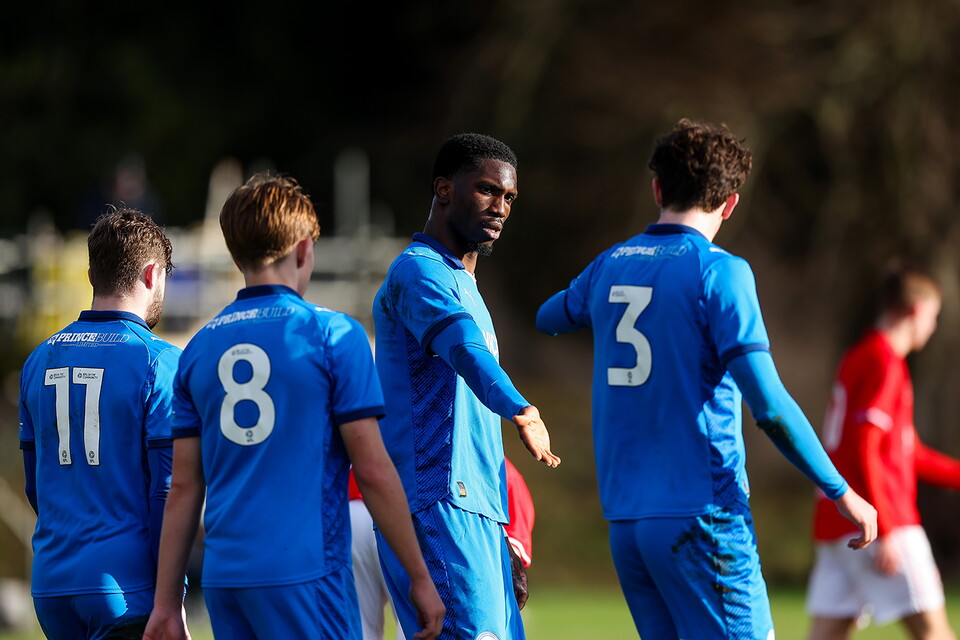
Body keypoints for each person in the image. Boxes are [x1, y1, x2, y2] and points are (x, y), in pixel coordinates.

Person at [535, 118, 877, 639]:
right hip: (701, 515)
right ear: (730, 203)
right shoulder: (720, 272)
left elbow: (548, 317)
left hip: (627, 524)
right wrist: (839, 490)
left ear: (657, 189)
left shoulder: (610, 265)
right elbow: (770, 406)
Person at [143, 175, 444, 640]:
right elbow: (372, 470)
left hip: (226, 579)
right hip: (305, 573)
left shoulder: (199, 349)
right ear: (304, 250)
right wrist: (419, 577)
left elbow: (183, 487)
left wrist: (166, 603)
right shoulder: (334, 335)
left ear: (236, 256)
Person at [373, 133, 560, 640]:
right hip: (438, 500)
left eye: (509, 197)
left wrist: (501, 531)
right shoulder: (418, 271)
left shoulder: (465, 283)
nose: (500, 207)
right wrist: (521, 407)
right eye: (487, 190)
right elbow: (464, 348)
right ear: (444, 190)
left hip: (480, 509)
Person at [18, 208, 179, 639]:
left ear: (91, 276)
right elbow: (168, 492)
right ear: (152, 274)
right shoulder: (159, 361)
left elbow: (35, 486)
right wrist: (172, 594)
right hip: (124, 587)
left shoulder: (39, 359)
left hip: (51, 584)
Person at [807, 266, 960, 640]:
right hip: (879, 519)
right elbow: (866, 446)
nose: (933, 327)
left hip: (837, 519)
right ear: (917, 310)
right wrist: (887, 528)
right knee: (934, 632)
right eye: (934, 316)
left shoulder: (858, 356)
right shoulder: (885, 361)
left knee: (826, 634)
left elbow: (908, 452)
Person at [349, 457, 536, 640]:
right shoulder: (498, 465)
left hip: (354, 507)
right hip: (405, 516)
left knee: (359, 629)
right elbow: (513, 551)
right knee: (422, 624)